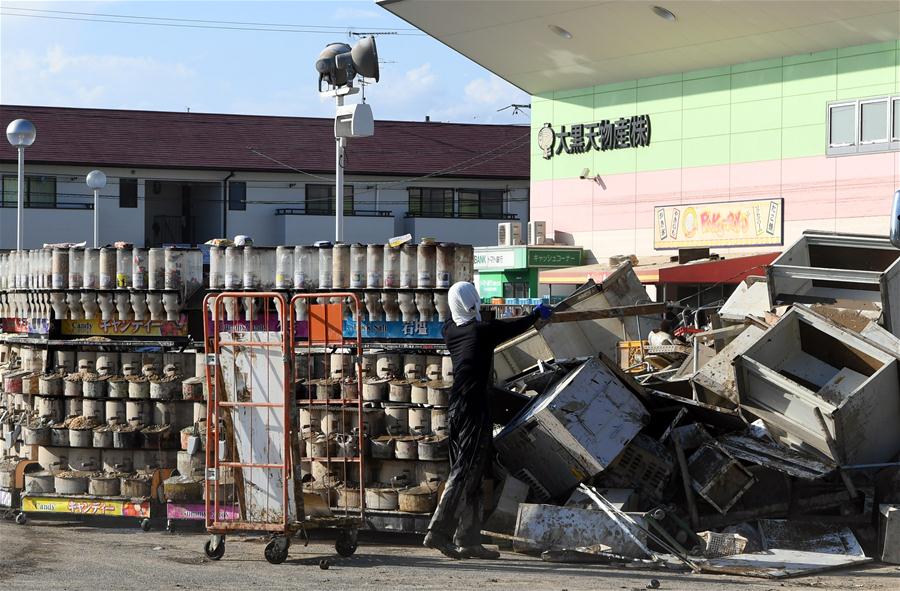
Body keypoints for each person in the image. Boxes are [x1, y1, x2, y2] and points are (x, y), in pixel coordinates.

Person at [424, 282, 552, 559]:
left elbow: (487, 323)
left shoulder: (450, 330)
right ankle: (439, 532)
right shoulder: (482, 331)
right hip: (473, 410)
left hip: (457, 408)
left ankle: (468, 539)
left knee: (476, 472)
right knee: (465, 472)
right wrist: (537, 314)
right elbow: (514, 328)